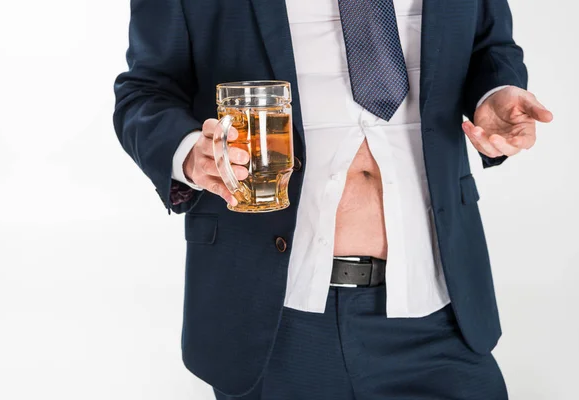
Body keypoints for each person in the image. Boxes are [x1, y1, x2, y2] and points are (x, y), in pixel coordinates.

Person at [113, 0, 553, 398]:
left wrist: (494, 93)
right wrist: (192, 153)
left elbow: (490, 48)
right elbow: (145, 91)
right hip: (272, 315)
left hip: (438, 306)